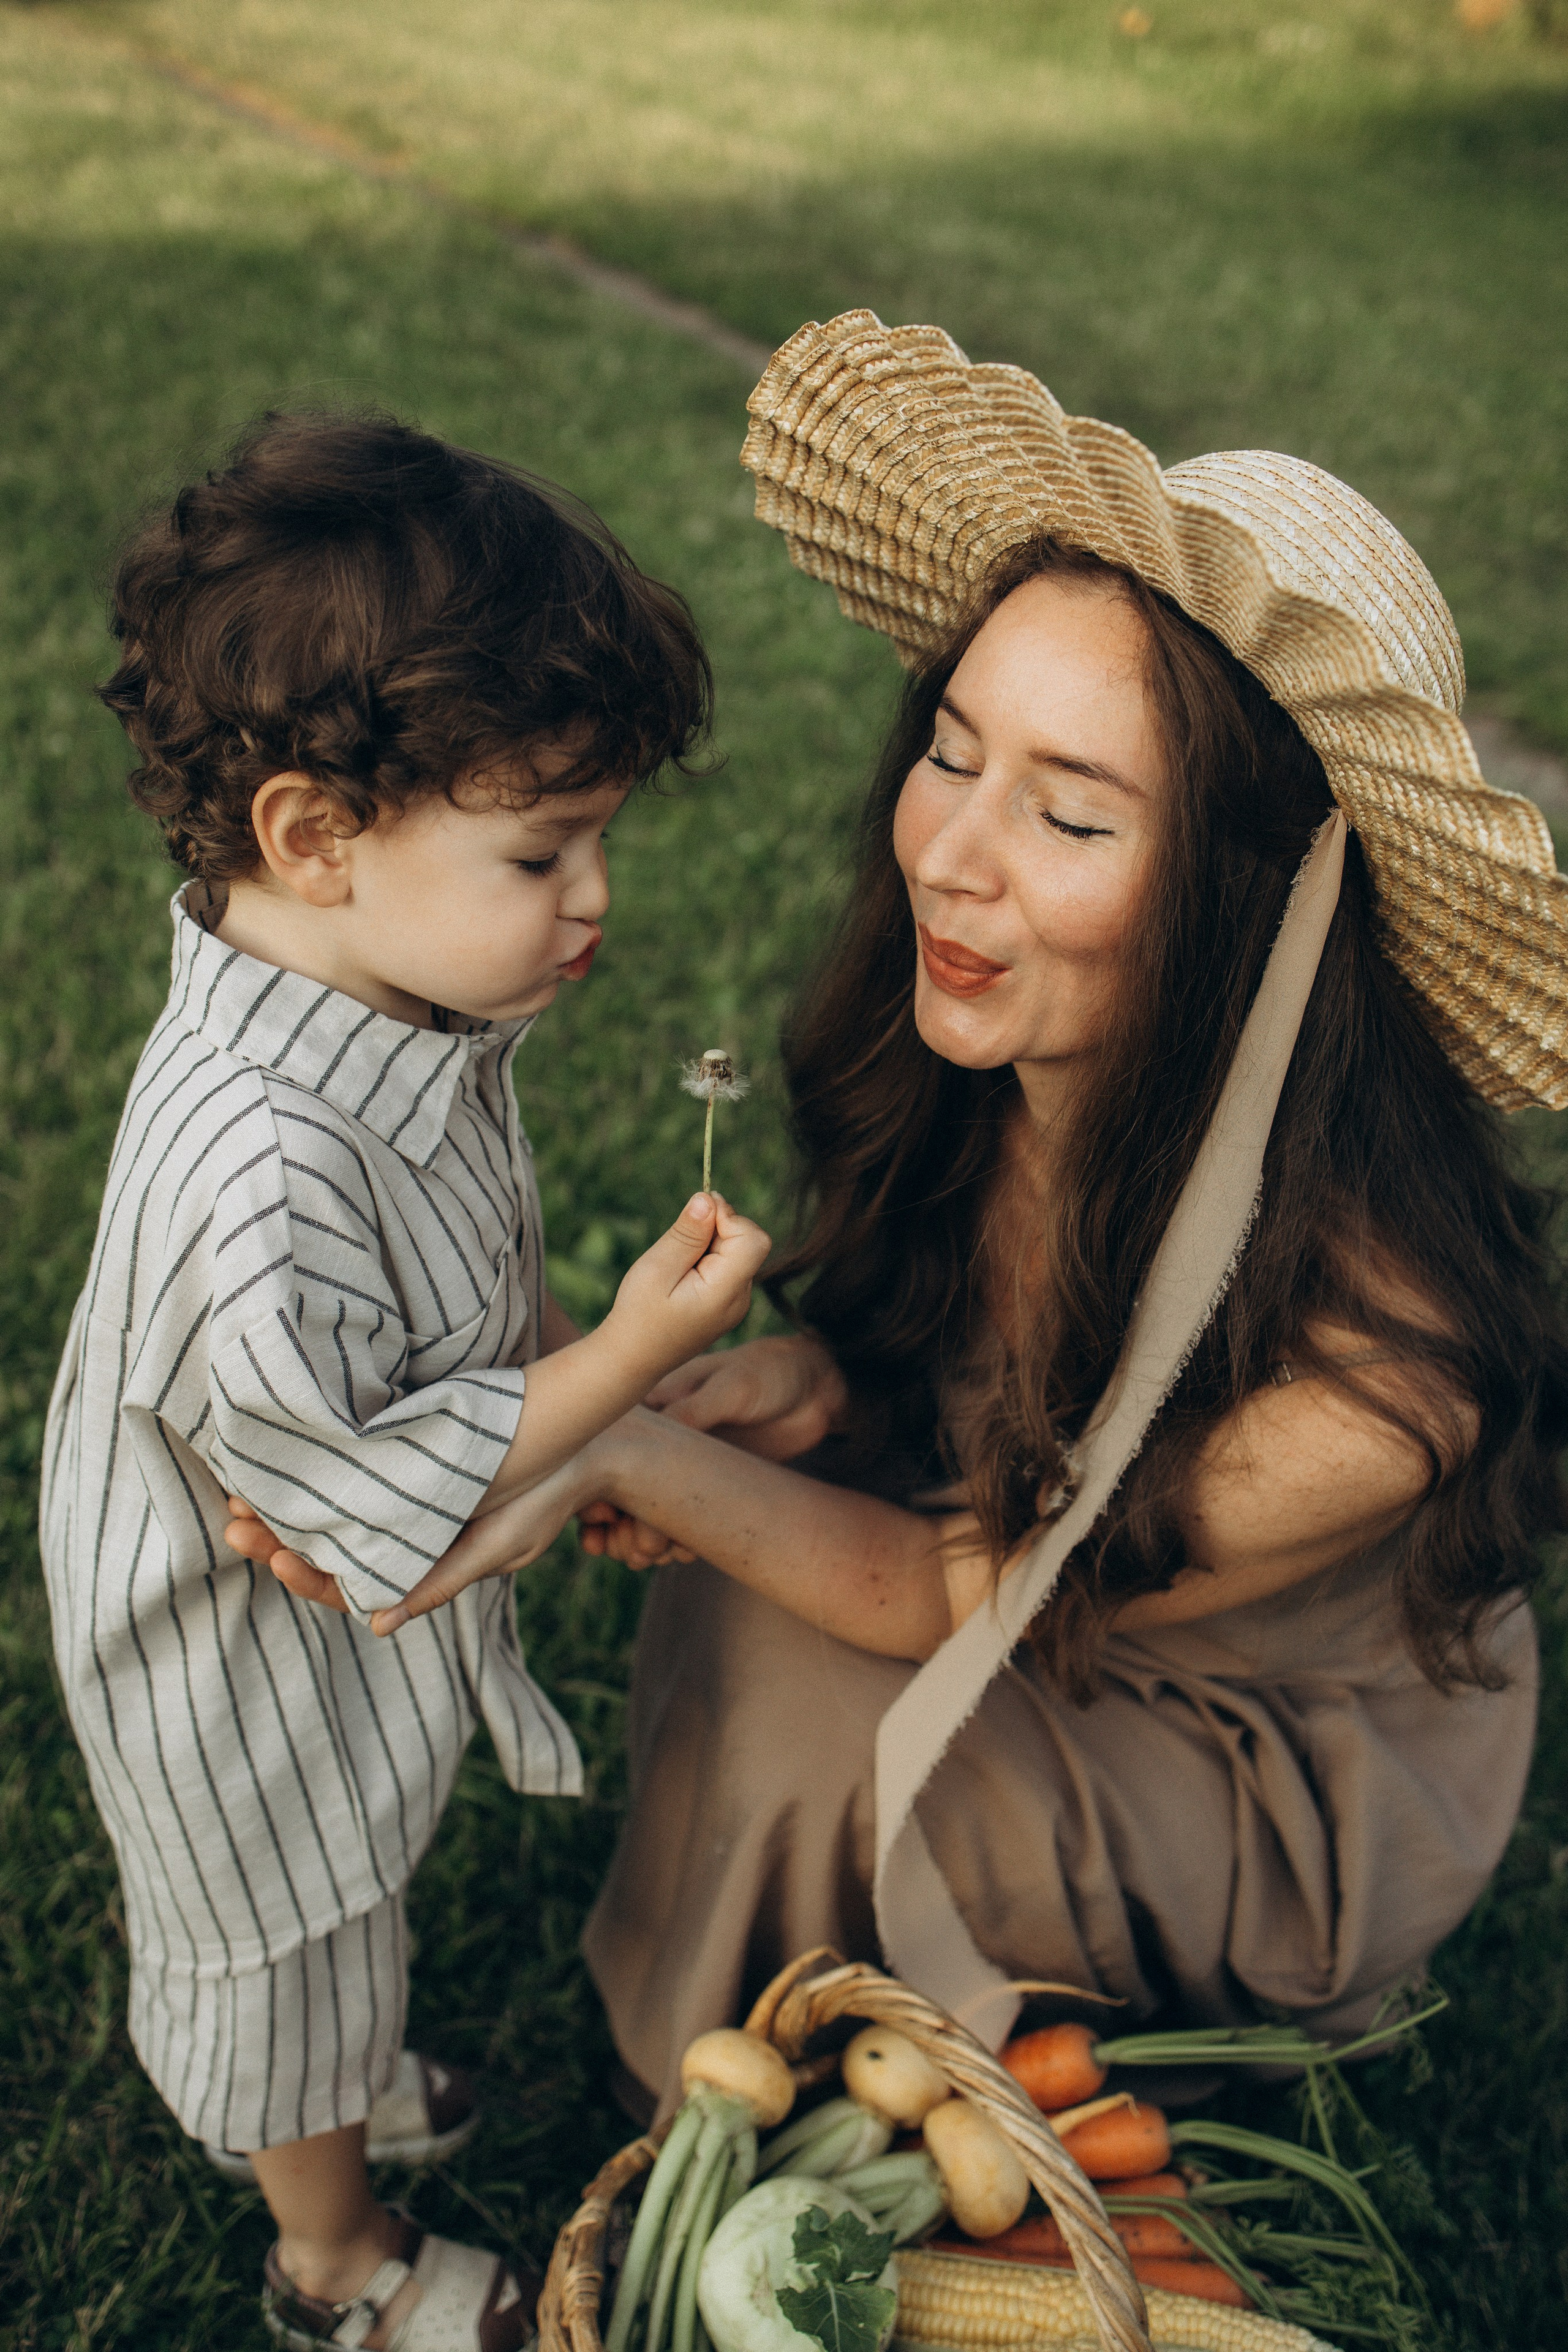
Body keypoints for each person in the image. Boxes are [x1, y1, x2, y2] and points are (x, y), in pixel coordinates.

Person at [247, 315, 1568, 2113]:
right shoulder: (999, 1043)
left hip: (1247, 1748)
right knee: (755, 1577)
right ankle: (775, 2018)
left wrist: (614, 1452)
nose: (948, 851)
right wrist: (828, 1388)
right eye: (957, 751)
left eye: (1075, 818)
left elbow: (971, 1592)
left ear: (1250, 911)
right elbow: (978, 1347)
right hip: (1016, 1520)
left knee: (828, 1712)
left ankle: (778, 2088)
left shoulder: (1386, 1379)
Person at [38, 413, 769, 2350]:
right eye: (543, 848)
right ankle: (334, 2260)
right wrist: (623, 1362)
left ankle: (342, 2097)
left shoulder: (388, 987)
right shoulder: (256, 1166)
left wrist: (565, 1384)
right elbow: (353, 1482)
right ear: (314, 837)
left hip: (334, 1623)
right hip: (233, 1665)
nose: (595, 895)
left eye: (596, 837)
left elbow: (452, 1309)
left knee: (355, 1909)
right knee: (283, 1937)